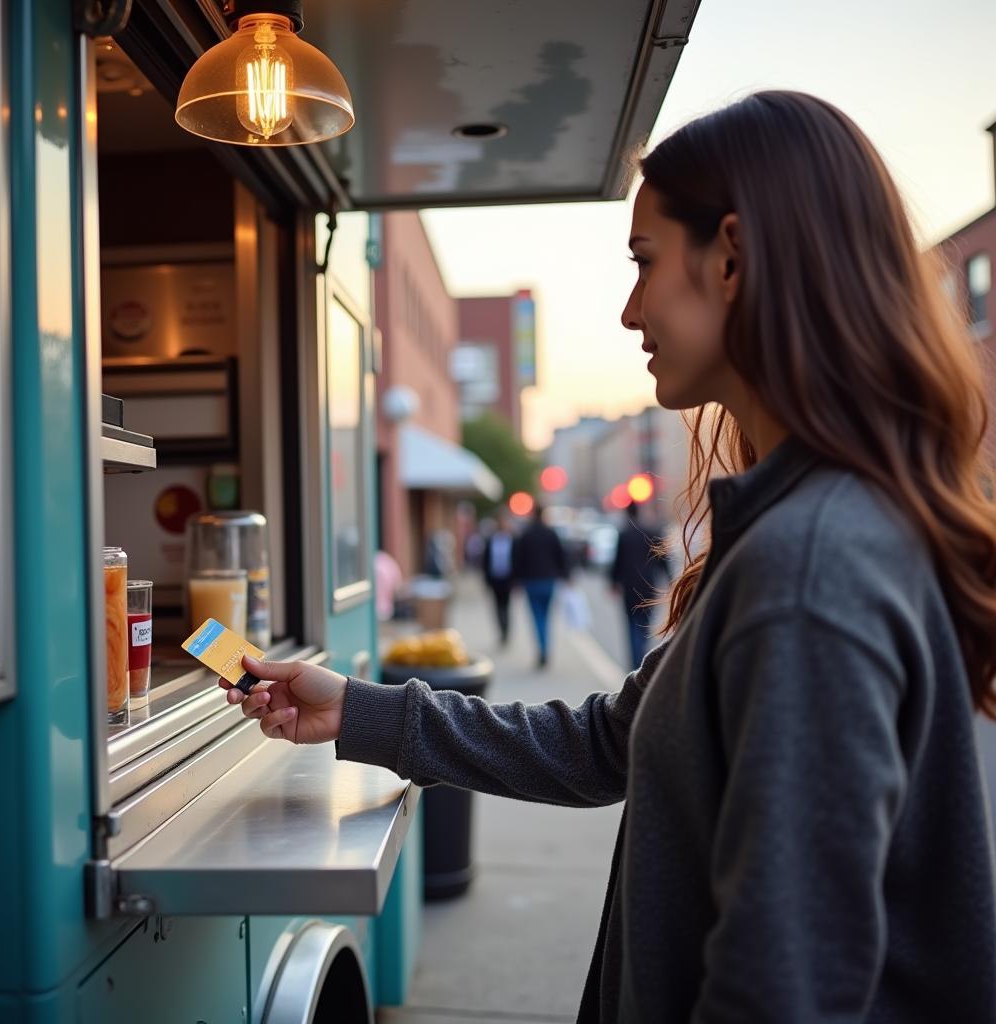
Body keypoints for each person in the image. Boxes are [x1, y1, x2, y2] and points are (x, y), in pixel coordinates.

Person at [222, 91, 996, 1022]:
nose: (630, 310)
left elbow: (780, 990)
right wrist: (361, 712)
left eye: (644, 262)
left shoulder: (810, 568)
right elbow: (609, 744)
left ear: (735, 257)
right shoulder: (798, 529)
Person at [609, 501, 671, 666]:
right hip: (648, 585)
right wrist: (671, 580)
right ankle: (642, 657)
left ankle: (635, 661)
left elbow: (617, 561)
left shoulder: (623, 534)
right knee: (644, 624)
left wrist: (613, 582)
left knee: (630, 624)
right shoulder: (651, 532)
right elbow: (663, 559)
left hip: (629, 586)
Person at [512, 504, 568, 667]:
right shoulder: (551, 533)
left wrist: (517, 579)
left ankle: (542, 650)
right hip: (549, 580)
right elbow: (561, 556)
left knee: (537, 617)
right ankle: (546, 649)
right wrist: (565, 576)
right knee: (547, 616)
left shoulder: (526, 534)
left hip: (531, 581)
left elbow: (518, 559)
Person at [481, 511, 517, 645]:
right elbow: (485, 561)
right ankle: (501, 631)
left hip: (508, 579)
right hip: (495, 578)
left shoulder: (513, 539)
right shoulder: (491, 540)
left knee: (506, 607)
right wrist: (486, 580)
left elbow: (517, 560)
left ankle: (506, 632)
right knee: (497, 607)